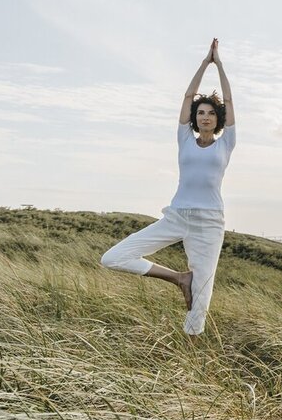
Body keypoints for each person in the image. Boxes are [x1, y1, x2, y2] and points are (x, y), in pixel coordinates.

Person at [100, 38, 236, 335]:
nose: (205, 117)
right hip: (177, 216)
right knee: (113, 258)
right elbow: (188, 96)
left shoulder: (227, 143)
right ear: (194, 119)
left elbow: (230, 99)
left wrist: (220, 66)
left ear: (219, 119)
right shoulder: (184, 139)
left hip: (210, 223)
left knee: (202, 296)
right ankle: (177, 278)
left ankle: (192, 353)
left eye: (211, 113)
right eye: (200, 113)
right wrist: (205, 63)